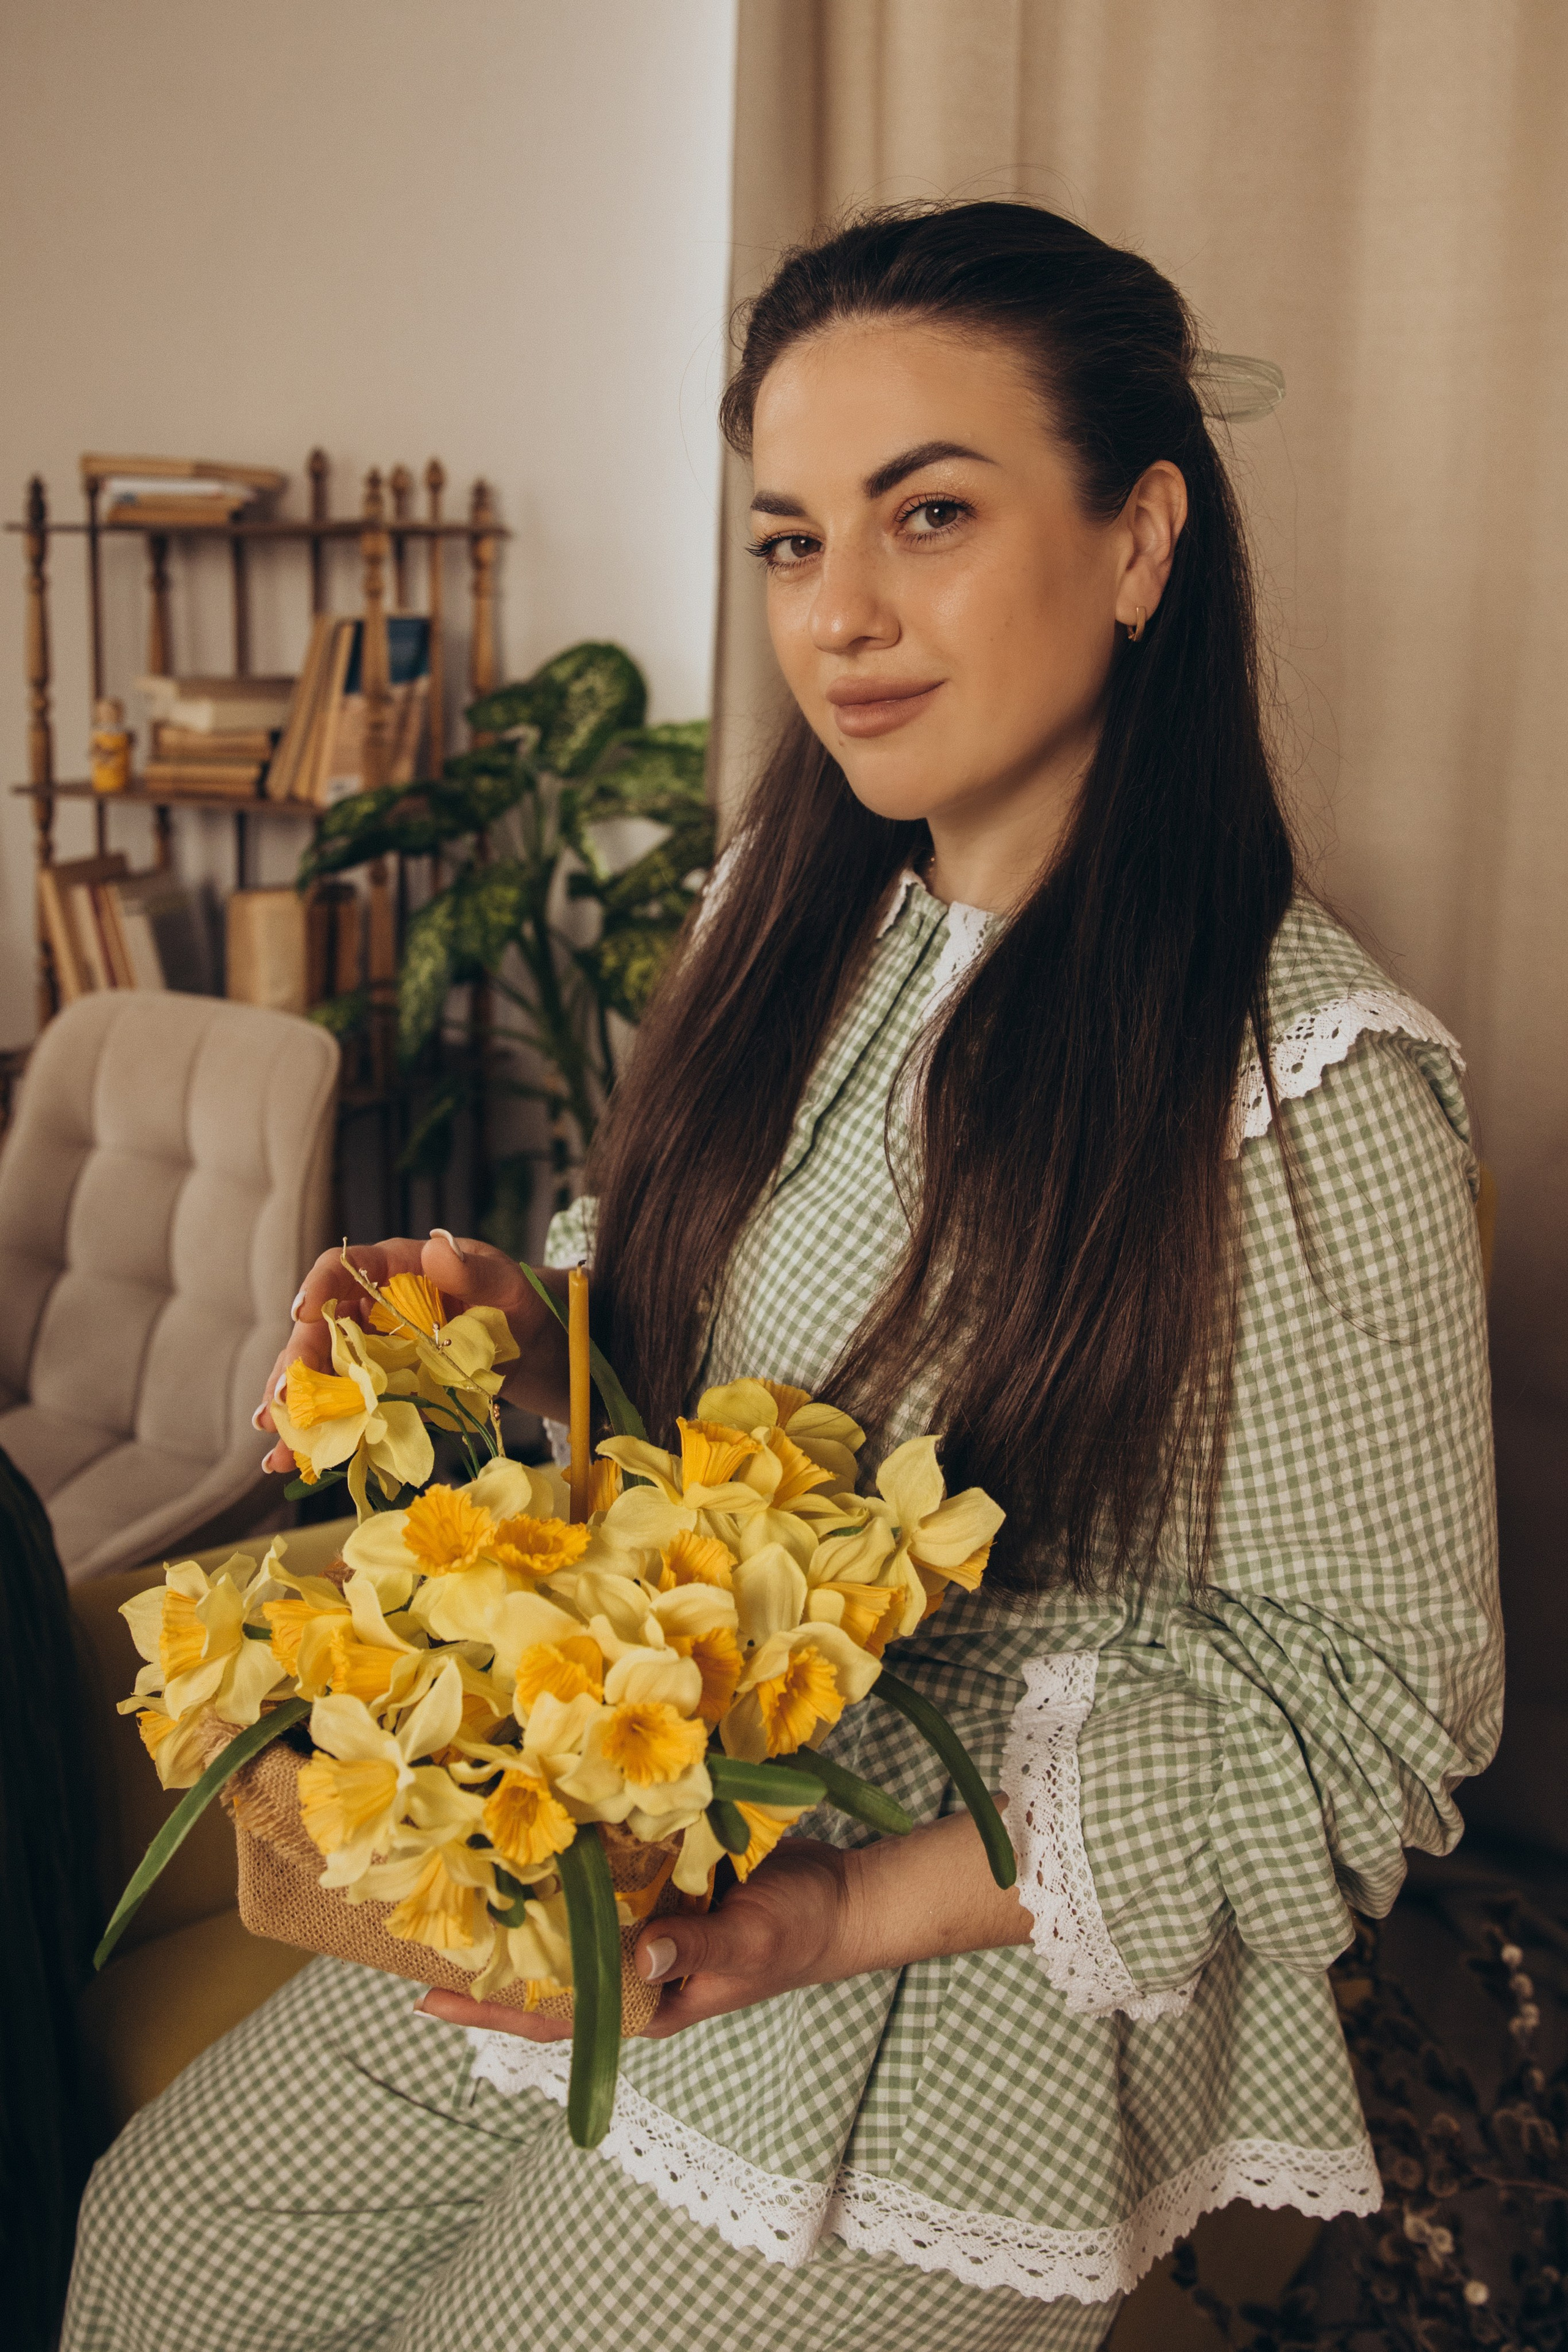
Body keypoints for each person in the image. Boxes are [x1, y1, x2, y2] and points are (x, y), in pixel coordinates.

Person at [63, 202, 1501, 2352]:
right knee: (172, 2242)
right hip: (638, 1848)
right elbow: (689, 1342)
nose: (842, 618)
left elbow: (1371, 1718)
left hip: (934, 1976)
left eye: (926, 515)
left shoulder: (1307, 1094)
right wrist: (515, 1337)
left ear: (1140, 540)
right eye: (790, 541)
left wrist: (834, 1910)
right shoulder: (783, 922)